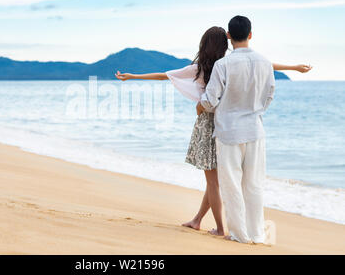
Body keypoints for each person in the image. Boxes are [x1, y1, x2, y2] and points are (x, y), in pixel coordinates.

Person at [116, 25, 311, 237]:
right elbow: (267, 65)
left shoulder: (201, 68)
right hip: (227, 122)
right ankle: (198, 220)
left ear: (204, 45)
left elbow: (165, 76)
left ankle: (219, 228)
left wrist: (133, 76)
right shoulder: (229, 64)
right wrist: (293, 67)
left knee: (213, 181)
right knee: (215, 180)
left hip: (209, 123)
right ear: (225, 43)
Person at [198, 15, 277, 243]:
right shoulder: (265, 63)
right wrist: (256, 112)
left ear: (229, 36)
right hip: (255, 130)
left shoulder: (223, 65)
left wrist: (200, 105)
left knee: (231, 184)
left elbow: (210, 100)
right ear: (250, 35)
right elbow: (269, 95)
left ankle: (239, 234)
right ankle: (256, 234)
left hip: (228, 131)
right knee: (254, 184)